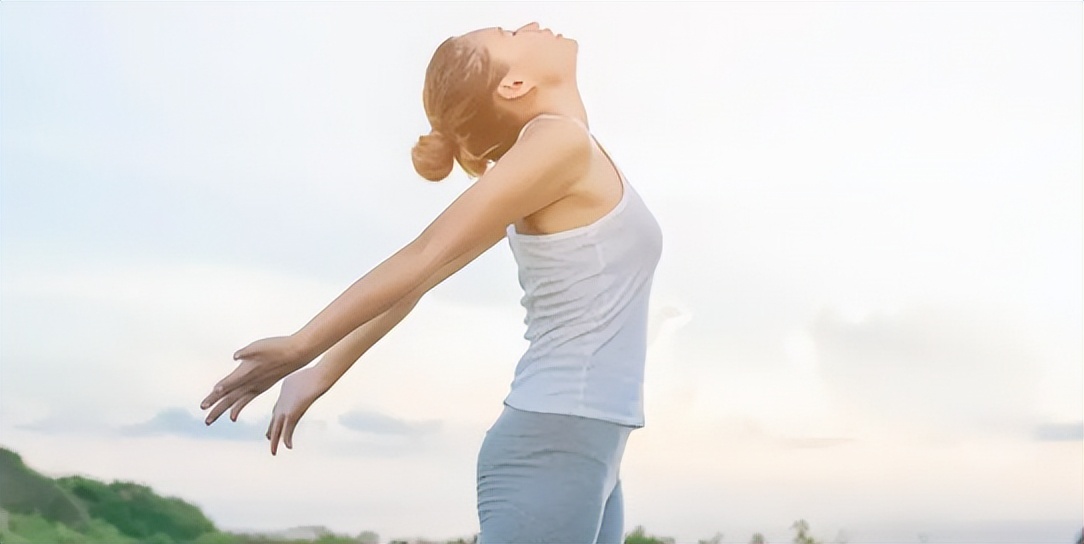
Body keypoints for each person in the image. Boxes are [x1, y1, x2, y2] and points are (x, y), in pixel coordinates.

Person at [200, 21, 663, 543]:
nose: (530, 25)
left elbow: (423, 278)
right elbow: (426, 255)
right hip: (555, 437)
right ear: (514, 87)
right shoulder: (558, 143)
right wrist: (304, 346)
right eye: (511, 34)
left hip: (590, 439)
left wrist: (323, 369)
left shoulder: (552, 158)